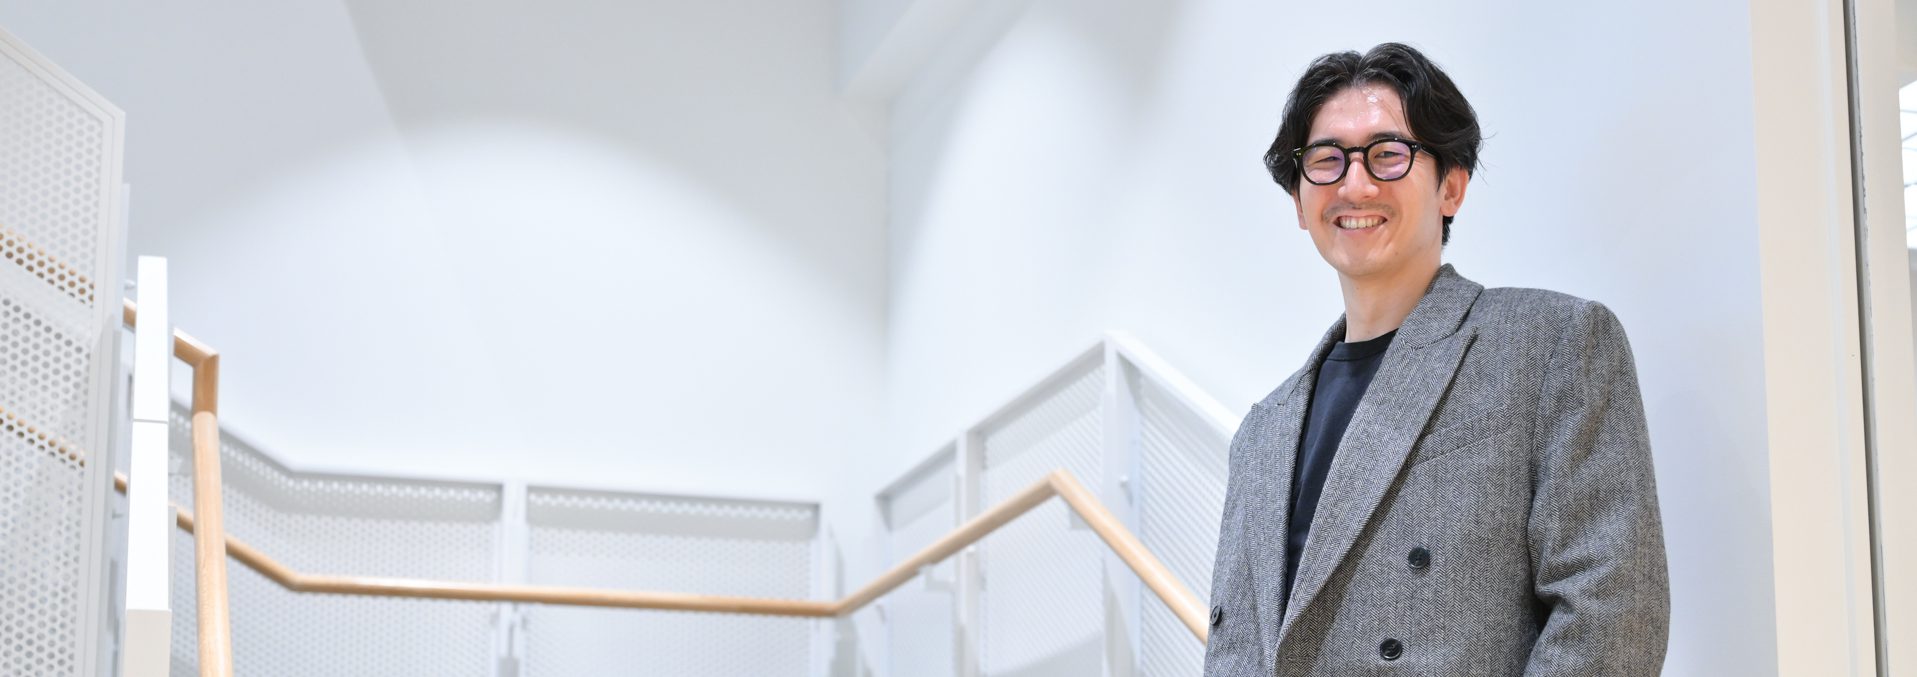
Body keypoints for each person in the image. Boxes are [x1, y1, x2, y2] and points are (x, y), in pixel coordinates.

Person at [1201, 42, 1669, 676]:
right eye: (1326, 160)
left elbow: (1611, 619)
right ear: (1299, 203)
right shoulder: (1262, 431)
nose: (1354, 184)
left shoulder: (1550, 345)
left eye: (1388, 155)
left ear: (1451, 186)